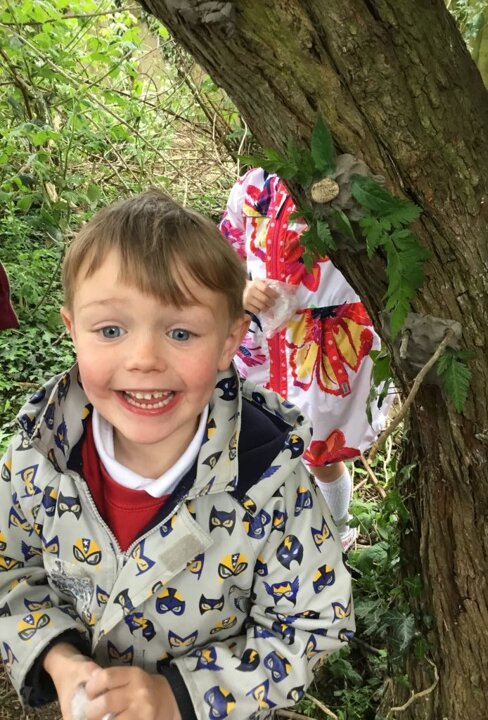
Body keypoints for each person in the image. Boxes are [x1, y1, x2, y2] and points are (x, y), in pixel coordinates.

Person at [0, 190, 354, 720]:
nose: (144, 359)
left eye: (181, 332)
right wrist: (59, 659)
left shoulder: (267, 478)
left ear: (229, 341)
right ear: (72, 331)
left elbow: (312, 626)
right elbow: (9, 574)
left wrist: (178, 696)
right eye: (111, 330)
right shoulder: (38, 457)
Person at [220, 168, 392, 551]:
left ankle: (336, 533)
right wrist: (240, 288)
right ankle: (273, 533)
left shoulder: (348, 177)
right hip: (262, 342)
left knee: (319, 451)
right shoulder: (254, 187)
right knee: (261, 438)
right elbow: (226, 253)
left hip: (324, 341)